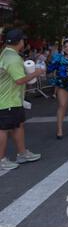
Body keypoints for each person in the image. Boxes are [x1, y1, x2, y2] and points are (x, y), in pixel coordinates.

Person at [0, 29, 43, 170]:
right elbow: (20, 80)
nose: (24, 43)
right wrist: (35, 73)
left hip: (13, 99)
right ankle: (1, 160)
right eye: (23, 40)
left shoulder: (6, 53)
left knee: (18, 125)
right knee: (3, 129)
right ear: (19, 42)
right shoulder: (13, 59)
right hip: (7, 100)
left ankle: (22, 153)